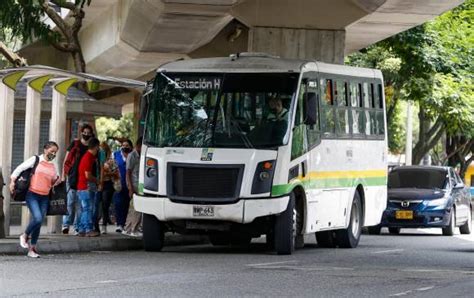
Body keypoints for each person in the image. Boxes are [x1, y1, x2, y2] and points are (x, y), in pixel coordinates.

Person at [10, 141, 60, 258]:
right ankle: (25, 235)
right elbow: (19, 168)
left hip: (45, 196)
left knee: (38, 222)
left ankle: (32, 249)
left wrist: (56, 180)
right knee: (37, 218)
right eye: (51, 151)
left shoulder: (54, 164)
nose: (53, 154)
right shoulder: (36, 159)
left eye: (55, 152)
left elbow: (54, 178)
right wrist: (12, 181)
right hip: (32, 194)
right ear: (45, 149)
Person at [62, 124, 94, 235]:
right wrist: (63, 175)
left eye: (88, 133)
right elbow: (66, 160)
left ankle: (76, 227)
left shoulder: (91, 147)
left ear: (91, 134)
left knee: (80, 205)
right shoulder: (75, 144)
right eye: (84, 132)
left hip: (83, 179)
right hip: (71, 177)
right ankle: (65, 225)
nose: (86, 134)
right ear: (81, 132)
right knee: (70, 202)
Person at [76, 138, 101, 237]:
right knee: (88, 208)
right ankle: (88, 229)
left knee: (84, 208)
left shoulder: (87, 156)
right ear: (96, 147)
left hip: (82, 187)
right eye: (98, 147)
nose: (98, 149)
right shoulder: (89, 157)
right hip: (86, 187)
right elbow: (88, 175)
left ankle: (82, 229)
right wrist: (97, 180)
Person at [123, 137, 143, 237]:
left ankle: (128, 228)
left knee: (134, 206)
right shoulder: (132, 156)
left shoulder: (142, 155)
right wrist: (130, 187)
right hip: (134, 183)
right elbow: (128, 173)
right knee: (137, 207)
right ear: (138, 146)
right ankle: (134, 229)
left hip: (141, 184)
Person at [98, 141, 119, 234]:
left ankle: (104, 226)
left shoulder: (111, 161)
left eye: (103, 150)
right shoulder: (96, 160)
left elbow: (116, 173)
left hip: (108, 184)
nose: (101, 151)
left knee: (105, 205)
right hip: (97, 184)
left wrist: (106, 173)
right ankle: (95, 225)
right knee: (96, 205)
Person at [113, 139, 133, 233]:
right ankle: (119, 224)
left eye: (127, 145)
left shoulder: (133, 155)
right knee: (118, 204)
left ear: (130, 147)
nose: (125, 147)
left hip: (129, 184)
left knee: (126, 204)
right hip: (118, 184)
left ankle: (124, 223)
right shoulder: (116, 154)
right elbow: (111, 166)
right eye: (123, 145)